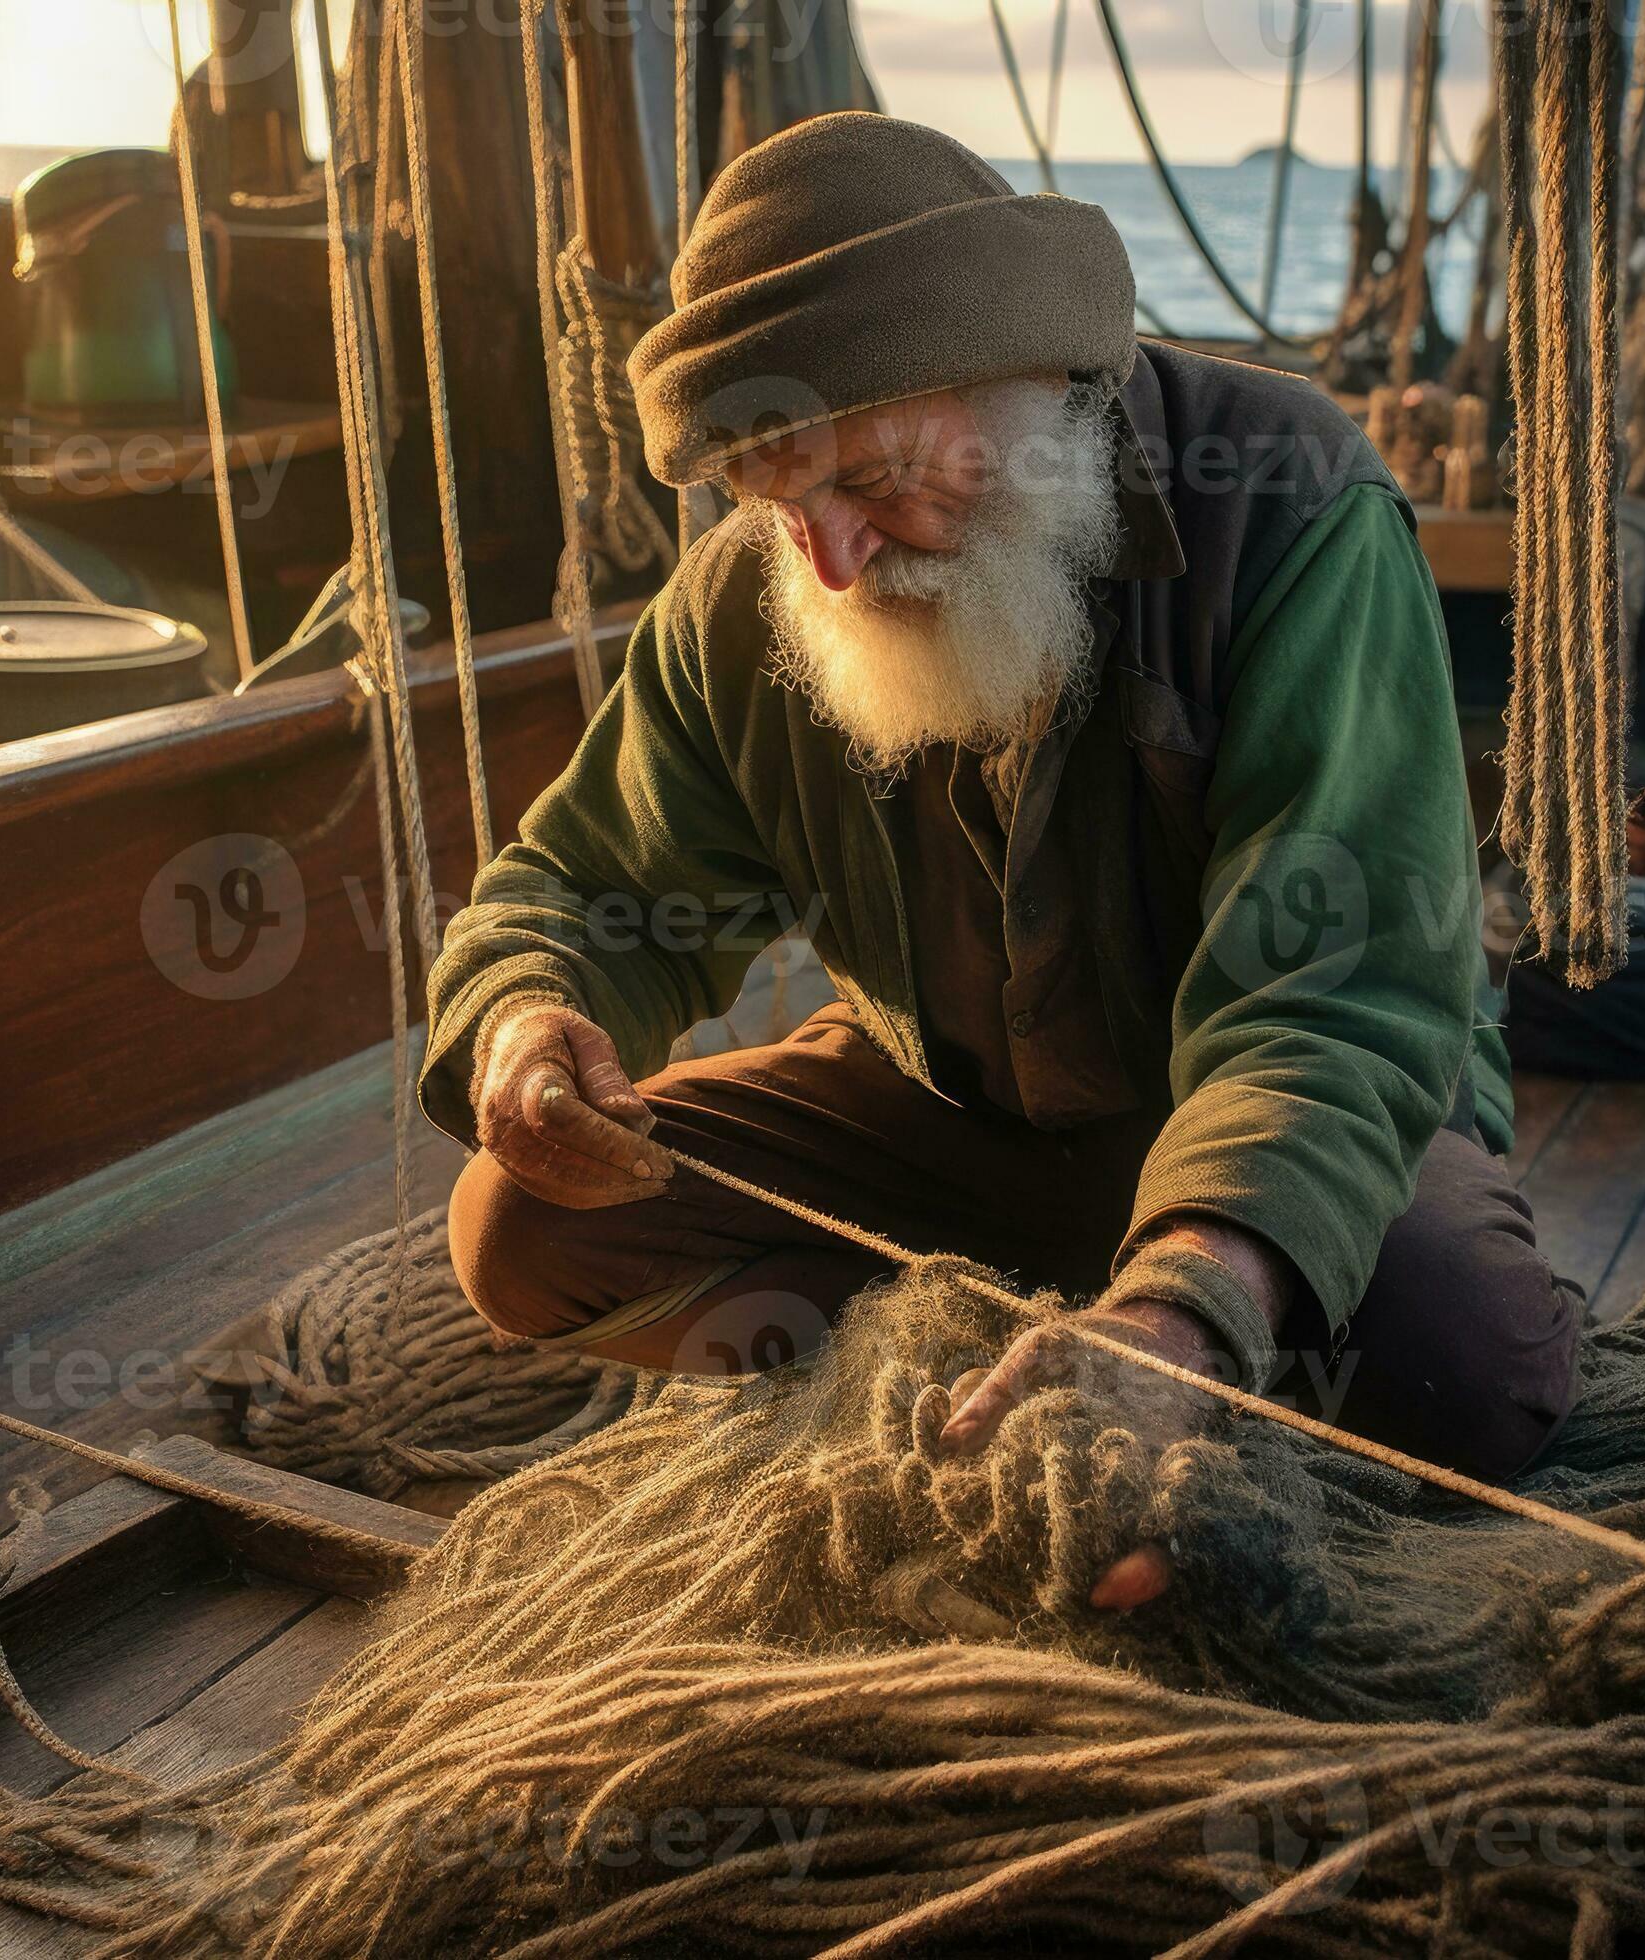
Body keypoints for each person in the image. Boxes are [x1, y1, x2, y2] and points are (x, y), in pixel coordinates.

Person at [420, 113, 1578, 1610]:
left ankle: (1133, 1338)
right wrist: (525, 1021)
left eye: (882, 475)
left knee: (1459, 1372)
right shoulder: (753, 600)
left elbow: (1340, 994)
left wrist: (1186, 1307)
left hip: (1281, 1108)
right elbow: (584, 890)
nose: (833, 563)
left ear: (1026, 383)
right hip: (947, 1115)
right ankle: (1017, 1362)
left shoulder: (1292, 505)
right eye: (784, 502)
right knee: (524, 1224)